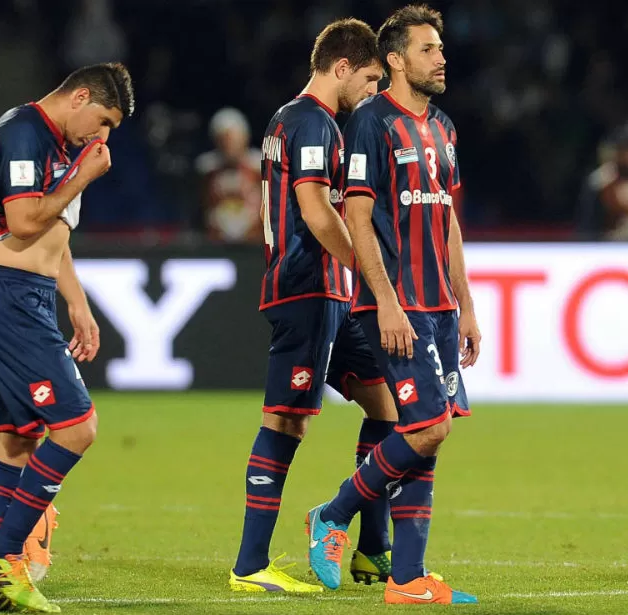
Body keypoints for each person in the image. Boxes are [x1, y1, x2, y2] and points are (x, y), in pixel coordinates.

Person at [305, 6, 481, 605]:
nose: (442, 57)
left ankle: (407, 579)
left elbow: (449, 222)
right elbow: (355, 213)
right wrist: (382, 301)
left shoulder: (445, 129)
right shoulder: (371, 124)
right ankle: (332, 514)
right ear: (398, 59)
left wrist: (468, 307)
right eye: (429, 49)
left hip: (440, 308)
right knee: (427, 429)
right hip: (396, 306)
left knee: (425, 433)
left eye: (441, 48)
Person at [0, 63, 134, 613]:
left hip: (28, 294)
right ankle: (6, 555)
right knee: (78, 428)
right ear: (79, 96)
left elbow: (53, 236)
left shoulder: (55, 143)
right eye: (102, 120)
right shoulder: (23, 132)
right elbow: (22, 223)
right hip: (8, 296)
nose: (101, 136)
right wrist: (83, 176)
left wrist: (77, 303)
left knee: (15, 442)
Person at [230, 18, 393, 594]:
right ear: (342, 67)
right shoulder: (314, 123)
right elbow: (318, 211)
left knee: (389, 411)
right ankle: (249, 566)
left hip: (329, 294)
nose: (373, 92)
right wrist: (367, 271)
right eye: (371, 79)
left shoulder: (287, 118)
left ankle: (374, 551)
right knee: (285, 420)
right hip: (309, 287)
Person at [194, 107, 262, 243]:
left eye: (233, 139)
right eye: (224, 140)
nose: (230, 145)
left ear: (245, 137)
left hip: (255, 246)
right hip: (217, 244)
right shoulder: (207, 171)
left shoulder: (260, 168)